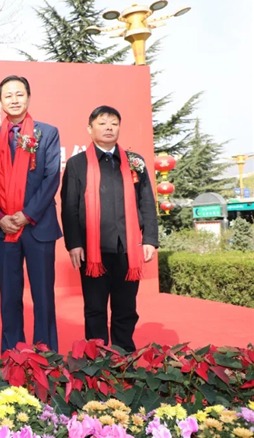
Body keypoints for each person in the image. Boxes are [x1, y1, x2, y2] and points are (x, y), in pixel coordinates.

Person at [60, 105, 158, 352]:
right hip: (92, 249)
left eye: (114, 123)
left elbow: (146, 201)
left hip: (128, 248)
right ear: (90, 128)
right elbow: (69, 207)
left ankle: (124, 354)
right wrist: (74, 243)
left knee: (126, 307)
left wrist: (150, 239)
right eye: (102, 123)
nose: (109, 128)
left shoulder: (134, 162)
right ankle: (97, 357)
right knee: (95, 307)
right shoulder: (77, 164)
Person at [0, 75, 62, 352]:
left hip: (38, 226)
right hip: (4, 228)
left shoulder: (47, 133)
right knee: (9, 297)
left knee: (43, 296)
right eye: (8, 95)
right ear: (0, 101)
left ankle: (47, 355)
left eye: (19, 94)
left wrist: (27, 215)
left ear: (28, 97)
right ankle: (11, 354)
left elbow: (51, 177)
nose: (14, 100)